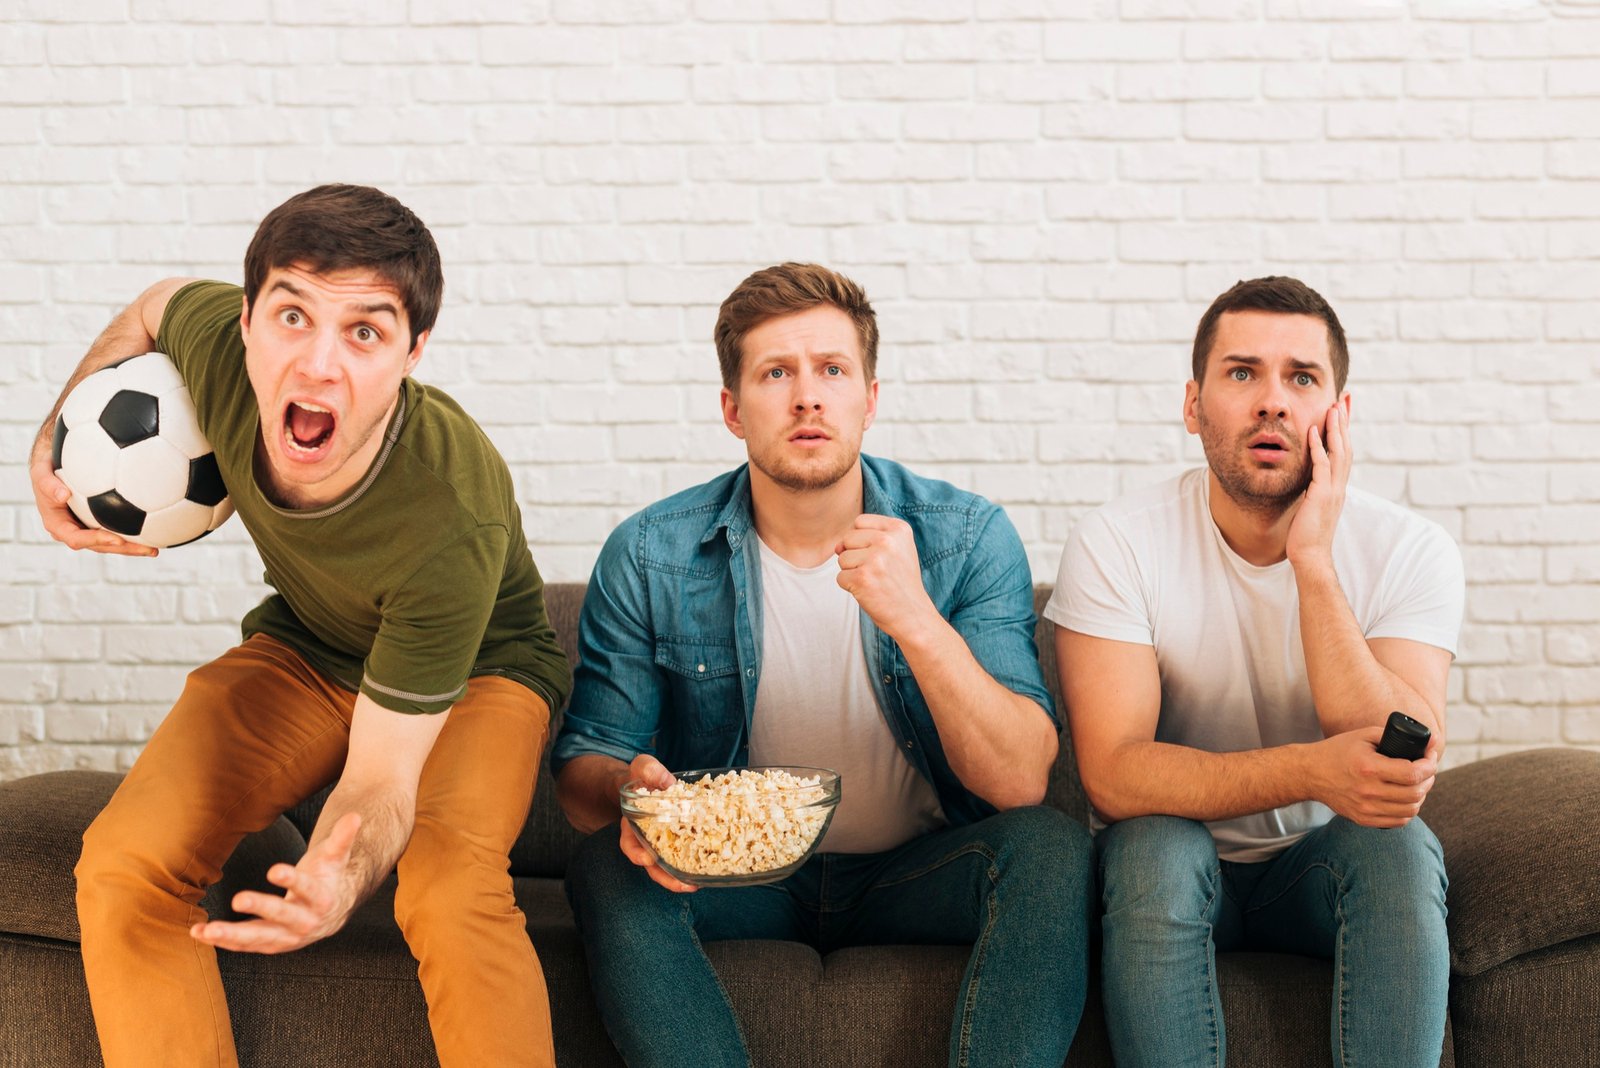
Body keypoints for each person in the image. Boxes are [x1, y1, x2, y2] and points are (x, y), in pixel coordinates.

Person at [28, 184, 570, 1068]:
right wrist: (53, 435)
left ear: (412, 353)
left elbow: (383, 778)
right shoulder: (215, 351)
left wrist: (339, 878)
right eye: (292, 315)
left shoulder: (448, 515)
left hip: (479, 671)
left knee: (443, 889)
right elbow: (154, 303)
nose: (317, 364)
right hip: (311, 644)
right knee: (123, 865)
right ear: (246, 322)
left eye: (365, 331)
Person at [552, 262, 1094, 1067]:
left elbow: (1019, 781)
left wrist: (916, 619)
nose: (807, 396)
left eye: (832, 371)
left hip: (919, 871)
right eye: (777, 373)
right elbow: (581, 771)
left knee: (1049, 847)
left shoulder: (967, 539)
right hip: (736, 878)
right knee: (605, 866)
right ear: (734, 410)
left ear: (869, 399)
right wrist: (633, 794)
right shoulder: (651, 554)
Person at [1049, 276, 1464, 1068]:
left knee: (1398, 847)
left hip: (1319, 869)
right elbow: (1114, 775)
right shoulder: (1118, 541)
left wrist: (1312, 559)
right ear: (1193, 405)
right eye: (1242, 374)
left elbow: (1399, 761)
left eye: (1301, 379)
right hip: (1176, 862)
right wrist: (1312, 768)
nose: (1272, 401)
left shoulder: (1410, 550)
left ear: (1337, 417)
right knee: (1153, 850)